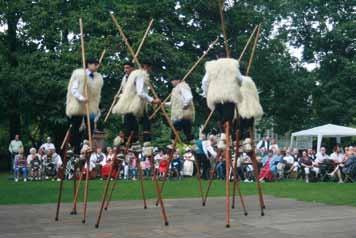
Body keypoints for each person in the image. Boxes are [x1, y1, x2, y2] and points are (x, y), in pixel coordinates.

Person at [201, 55, 263, 144]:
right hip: (240, 103)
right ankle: (242, 139)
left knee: (224, 117)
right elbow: (254, 95)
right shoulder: (244, 78)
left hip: (216, 96)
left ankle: (226, 135)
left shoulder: (212, 67)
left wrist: (207, 93)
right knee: (243, 122)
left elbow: (205, 82)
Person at [112, 60, 160, 143]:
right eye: (125, 68)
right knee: (141, 122)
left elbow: (131, 91)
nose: (125, 70)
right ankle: (143, 142)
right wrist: (152, 100)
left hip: (133, 103)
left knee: (135, 122)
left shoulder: (133, 76)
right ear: (146, 67)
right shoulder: (139, 75)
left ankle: (130, 141)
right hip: (136, 103)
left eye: (127, 68)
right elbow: (139, 92)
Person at [65, 58, 104, 154]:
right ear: (89, 65)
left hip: (89, 106)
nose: (97, 66)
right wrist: (82, 98)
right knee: (76, 126)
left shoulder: (97, 78)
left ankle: (86, 143)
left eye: (97, 64)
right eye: (95, 64)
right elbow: (73, 90)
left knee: (90, 124)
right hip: (79, 104)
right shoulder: (80, 75)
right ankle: (75, 147)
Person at [166, 78, 195, 143]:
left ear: (178, 80)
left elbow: (189, 97)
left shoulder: (182, 86)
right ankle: (193, 145)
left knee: (176, 129)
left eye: (173, 80)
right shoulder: (175, 90)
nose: (172, 82)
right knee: (187, 132)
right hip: (180, 115)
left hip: (183, 114)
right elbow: (173, 103)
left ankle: (173, 145)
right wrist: (164, 104)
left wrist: (184, 105)